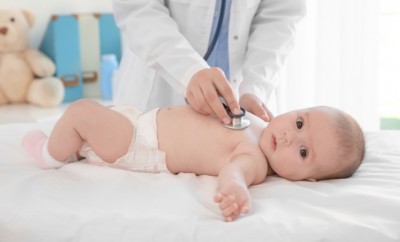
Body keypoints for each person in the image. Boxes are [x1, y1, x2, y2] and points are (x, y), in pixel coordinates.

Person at [22, 99, 365, 222]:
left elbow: (234, 172)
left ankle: (49, 156)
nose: (291, 136)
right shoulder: (263, 126)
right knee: (96, 116)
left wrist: (234, 190)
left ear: (308, 179)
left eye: (303, 152)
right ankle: (68, 143)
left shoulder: (255, 159)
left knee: (82, 111)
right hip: (141, 121)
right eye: (299, 122)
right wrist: (246, 99)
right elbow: (238, 107)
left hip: (140, 144)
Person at [112, 0, 306, 125]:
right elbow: (138, 8)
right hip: (158, 88)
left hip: (238, 97)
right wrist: (188, 71)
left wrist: (255, 88)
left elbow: (279, 15)